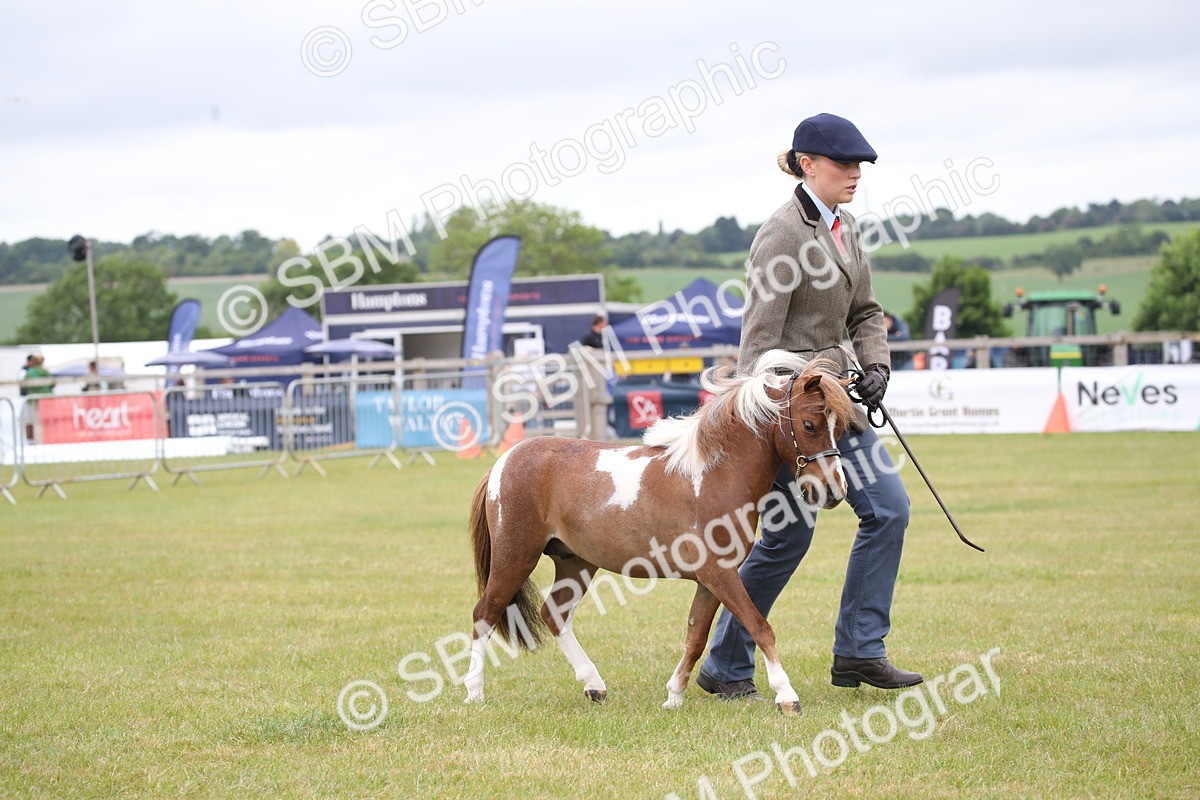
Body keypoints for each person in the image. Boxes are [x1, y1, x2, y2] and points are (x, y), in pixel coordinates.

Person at [697, 113, 921, 699]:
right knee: (788, 537)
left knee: (889, 510)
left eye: (860, 166)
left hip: (839, 404)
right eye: (845, 164)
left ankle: (858, 651)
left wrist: (874, 367)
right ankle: (724, 664)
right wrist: (766, 419)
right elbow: (756, 342)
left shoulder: (846, 226)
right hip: (789, 416)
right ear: (807, 165)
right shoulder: (781, 235)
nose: (855, 175)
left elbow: (866, 313)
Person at [575, 314, 613, 441]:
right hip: (591, 374)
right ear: (600, 323)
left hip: (602, 372)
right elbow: (581, 351)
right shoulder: (588, 336)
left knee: (604, 398)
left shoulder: (602, 336)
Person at [19, 353, 55, 443]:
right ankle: (48, 440)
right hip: (46, 400)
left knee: (36, 422)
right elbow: (52, 383)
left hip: (33, 401)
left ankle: (38, 442)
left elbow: (24, 385)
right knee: (46, 422)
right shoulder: (44, 371)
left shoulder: (29, 372)